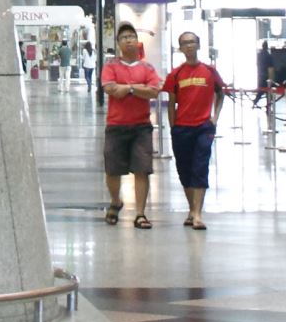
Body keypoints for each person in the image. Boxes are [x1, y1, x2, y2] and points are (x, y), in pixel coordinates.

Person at [163, 31, 229, 229]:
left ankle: (198, 214)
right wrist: (174, 127)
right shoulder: (175, 74)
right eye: (184, 43)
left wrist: (214, 118)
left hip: (203, 128)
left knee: (200, 167)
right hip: (182, 128)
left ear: (198, 45)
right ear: (180, 48)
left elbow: (221, 93)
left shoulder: (209, 71)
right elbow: (171, 103)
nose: (189, 46)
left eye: (192, 42)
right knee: (185, 170)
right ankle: (192, 209)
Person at [98, 24, 161, 227]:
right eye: (124, 37)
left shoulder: (147, 68)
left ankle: (140, 213)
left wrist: (129, 88)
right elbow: (111, 89)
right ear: (118, 43)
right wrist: (137, 88)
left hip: (141, 127)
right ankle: (116, 201)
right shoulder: (110, 67)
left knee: (142, 170)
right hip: (116, 126)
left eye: (131, 36)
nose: (128, 40)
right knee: (113, 170)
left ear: (137, 41)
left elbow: (153, 91)